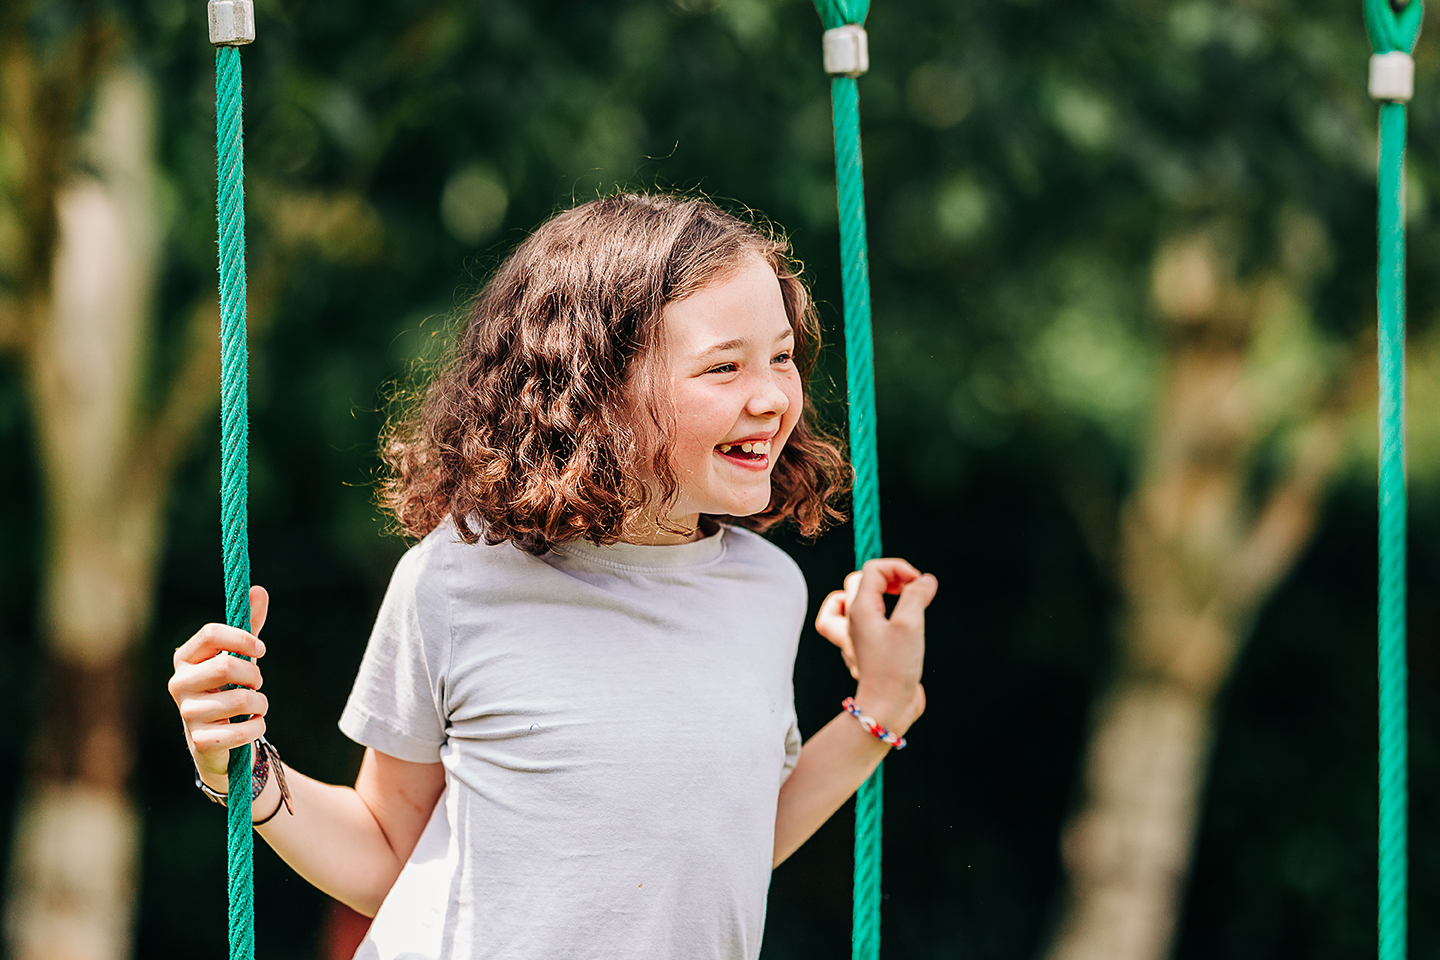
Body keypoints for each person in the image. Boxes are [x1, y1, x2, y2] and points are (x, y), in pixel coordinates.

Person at [168, 194, 938, 960]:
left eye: (780, 356)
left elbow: (725, 842)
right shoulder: (455, 580)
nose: (772, 397)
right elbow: (385, 853)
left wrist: (883, 704)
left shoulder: (769, 591)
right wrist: (243, 767)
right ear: (595, 394)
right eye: (724, 367)